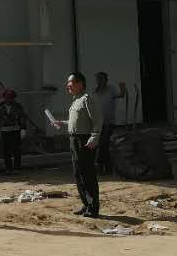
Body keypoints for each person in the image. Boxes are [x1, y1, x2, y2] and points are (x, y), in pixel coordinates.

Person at [48, 71, 100, 218]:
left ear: (80, 84)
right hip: (74, 140)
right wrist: (62, 123)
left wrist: (94, 138)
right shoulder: (76, 100)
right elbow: (76, 122)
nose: (68, 86)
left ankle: (93, 208)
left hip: (84, 140)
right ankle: (86, 204)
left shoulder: (86, 100)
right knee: (78, 174)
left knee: (87, 174)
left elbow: (97, 121)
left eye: (70, 83)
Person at [93, 72, 127, 176]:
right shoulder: (95, 91)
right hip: (98, 123)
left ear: (106, 80)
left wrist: (123, 87)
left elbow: (121, 95)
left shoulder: (110, 89)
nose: (99, 81)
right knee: (101, 145)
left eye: (101, 79)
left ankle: (104, 167)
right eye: (98, 79)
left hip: (108, 122)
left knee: (104, 144)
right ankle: (105, 167)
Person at [0, 88, 28, 173]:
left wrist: (23, 128)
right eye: (7, 98)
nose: (8, 100)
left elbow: (22, 117)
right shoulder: (0, 106)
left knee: (16, 150)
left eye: (10, 98)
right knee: (6, 151)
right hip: (4, 131)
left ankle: (17, 168)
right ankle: (8, 168)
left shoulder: (17, 106)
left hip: (15, 130)